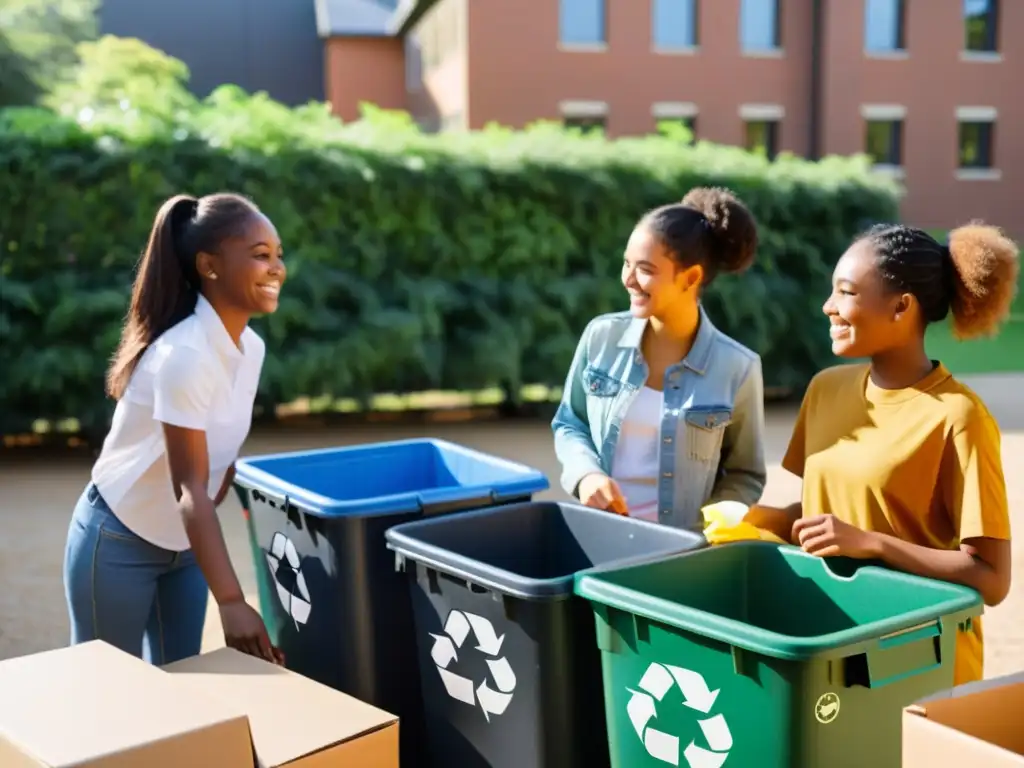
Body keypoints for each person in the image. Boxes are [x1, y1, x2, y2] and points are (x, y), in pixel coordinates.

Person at [749, 221, 1018, 685]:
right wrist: (755, 520)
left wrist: (873, 544)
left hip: (921, 662)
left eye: (846, 292)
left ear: (900, 307)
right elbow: (828, 510)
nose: (828, 307)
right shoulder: (825, 389)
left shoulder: (959, 417)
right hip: (833, 645)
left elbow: (991, 578)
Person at [63, 192, 287, 666]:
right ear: (209, 266)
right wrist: (231, 600)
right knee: (103, 693)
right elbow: (189, 487)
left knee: (180, 685)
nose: (276, 268)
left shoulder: (251, 349)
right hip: (118, 539)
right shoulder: (183, 356)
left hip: (183, 548)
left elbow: (219, 459)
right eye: (260, 255)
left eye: (278, 256)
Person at [551, 187, 767, 531]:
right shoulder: (600, 336)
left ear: (692, 277)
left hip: (682, 555)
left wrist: (709, 527)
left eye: (646, 269)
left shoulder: (738, 368)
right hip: (596, 535)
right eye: (626, 264)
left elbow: (745, 473)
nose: (629, 279)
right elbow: (570, 423)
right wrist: (586, 475)